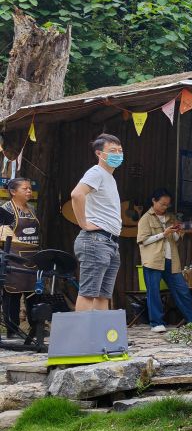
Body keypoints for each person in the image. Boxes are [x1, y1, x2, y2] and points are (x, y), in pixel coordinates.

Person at [70, 133, 123, 311]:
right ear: (99, 154)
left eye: (120, 150)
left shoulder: (109, 177)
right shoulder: (96, 172)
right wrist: (83, 224)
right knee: (88, 292)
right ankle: (83, 338)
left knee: (103, 295)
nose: (118, 154)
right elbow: (77, 194)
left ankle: (101, 337)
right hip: (95, 240)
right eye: (112, 150)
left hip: (110, 242)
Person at [137, 188, 192, 333]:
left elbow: (176, 240)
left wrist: (177, 232)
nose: (165, 207)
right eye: (162, 204)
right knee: (153, 292)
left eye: (167, 205)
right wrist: (163, 234)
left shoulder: (171, 217)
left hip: (171, 260)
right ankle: (156, 323)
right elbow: (143, 241)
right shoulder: (145, 219)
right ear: (154, 201)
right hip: (153, 260)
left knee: (182, 290)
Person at [0, 178, 39, 335]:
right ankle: (12, 331)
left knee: (33, 295)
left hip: (32, 259)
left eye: (30, 188)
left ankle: (35, 330)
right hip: (14, 259)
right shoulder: (5, 210)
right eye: (25, 188)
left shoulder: (31, 209)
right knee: (13, 296)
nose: (29, 191)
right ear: (13, 192)